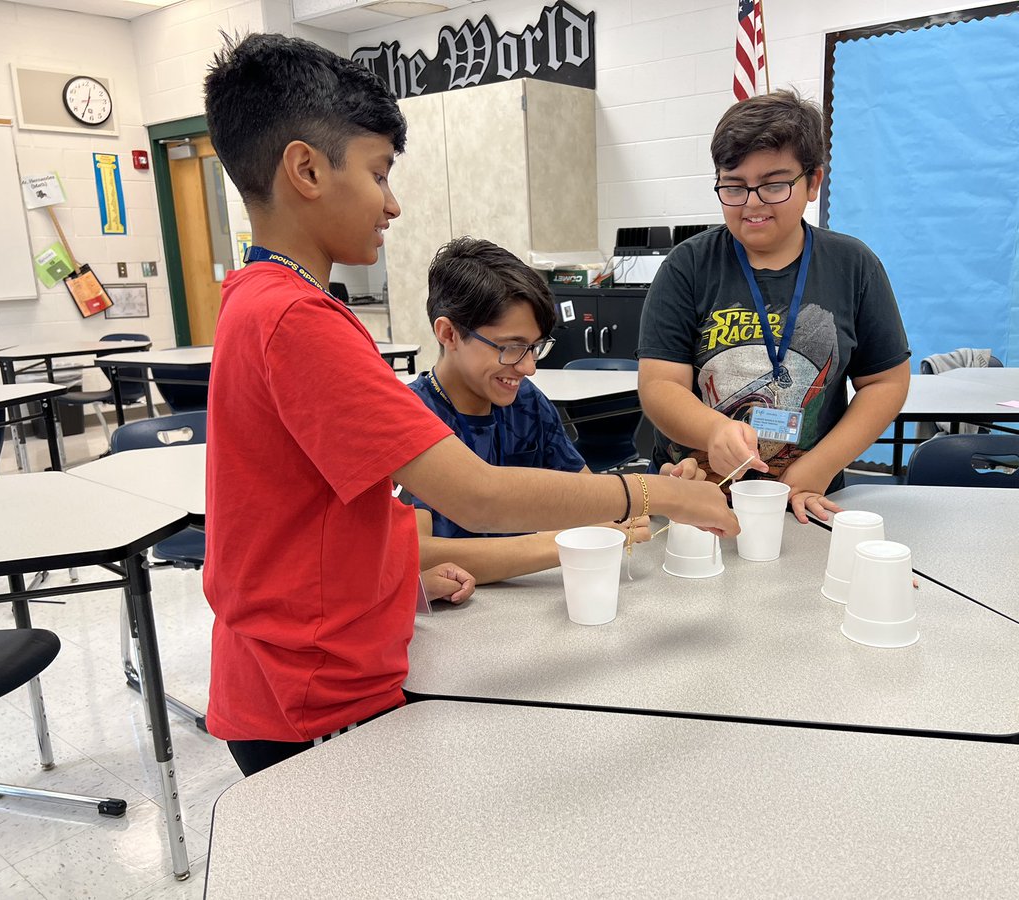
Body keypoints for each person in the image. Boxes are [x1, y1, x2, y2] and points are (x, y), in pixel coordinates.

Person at [202, 33, 737, 776]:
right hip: (312, 690)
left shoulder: (263, 300)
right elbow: (476, 495)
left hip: (318, 663)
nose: (392, 204)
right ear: (306, 169)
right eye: (379, 172)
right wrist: (648, 495)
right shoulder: (295, 319)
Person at [637, 90, 910, 524]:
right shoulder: (688, 266)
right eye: (734, 186)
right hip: (694, 492)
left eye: (774, 184)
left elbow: (885, 383)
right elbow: (660, 386)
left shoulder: (853, 265)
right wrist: (714, 432)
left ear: (813, 181)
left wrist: (817, 468)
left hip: (805, 497)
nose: (752, 203)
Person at [408, 236, 704, 584]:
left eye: (535, 347)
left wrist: (654, 493)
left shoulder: (526, 403)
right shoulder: (412, 419)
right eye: (512, 347)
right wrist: (564, 543)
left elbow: (588, 501)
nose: (528, 367)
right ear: (449, 334)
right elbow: (417, 554)